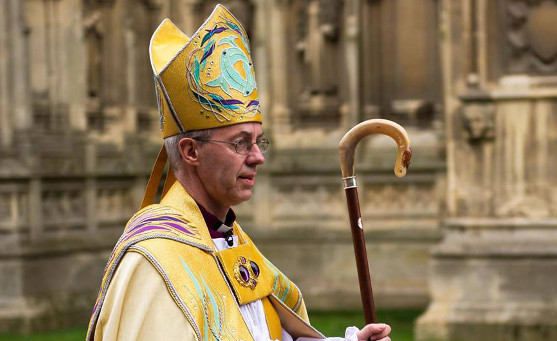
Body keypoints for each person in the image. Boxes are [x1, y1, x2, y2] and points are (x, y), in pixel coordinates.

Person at [86, 5, 391, 341]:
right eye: (240, 143)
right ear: (190, 152)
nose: (258, 157)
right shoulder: (154, 262)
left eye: (260, 141)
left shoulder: (229, 240)